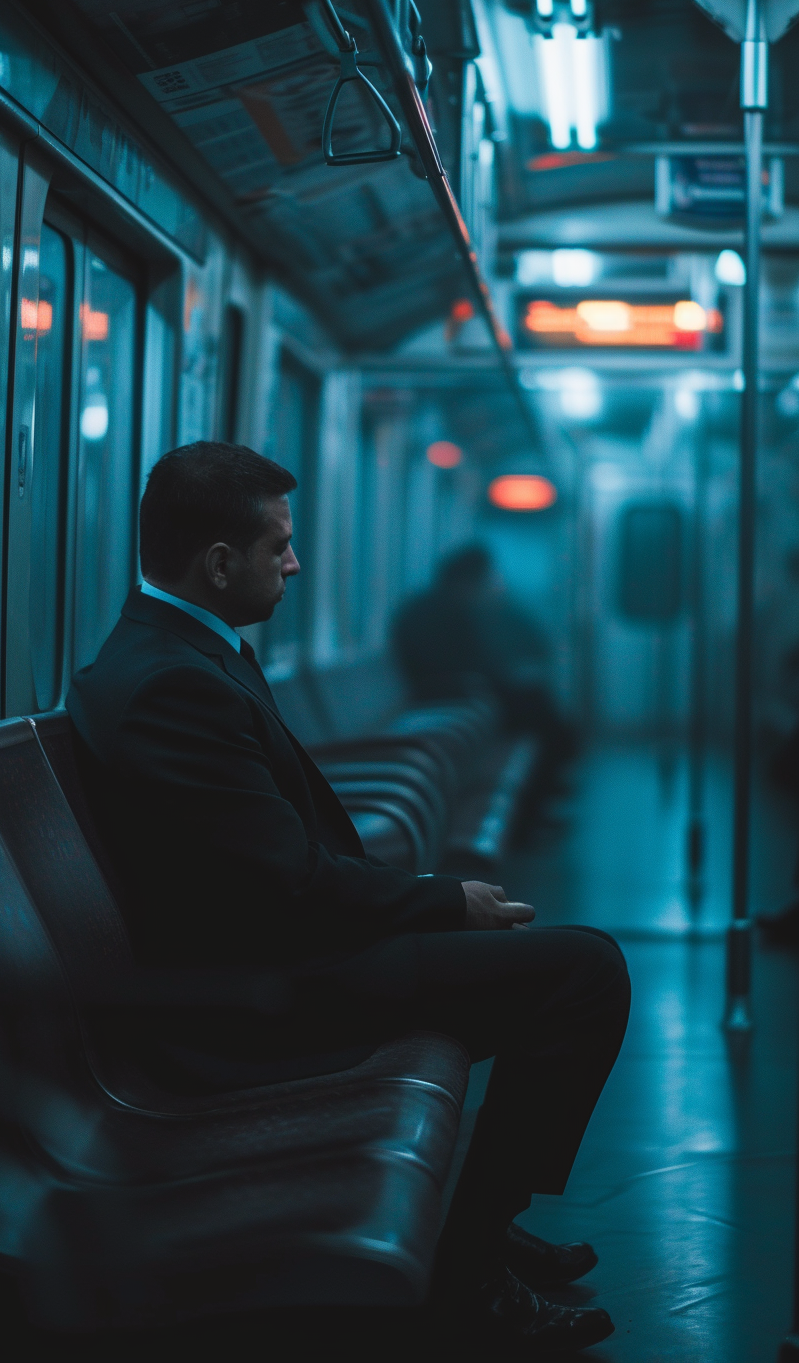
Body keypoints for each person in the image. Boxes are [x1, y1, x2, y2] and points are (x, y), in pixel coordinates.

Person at [67, 442, 630, 1355]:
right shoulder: (178, 683)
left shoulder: (180, 652)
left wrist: (420, 897)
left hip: (266, 950)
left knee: (557, 967)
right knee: (584, 972)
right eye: (278, 546)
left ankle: (476, 1221)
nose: (293, 563)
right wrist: (446, 901)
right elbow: (286, 883)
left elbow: (266, 864)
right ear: (218, 564)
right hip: (249, 992)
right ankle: (469, 1263)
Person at [392, 544, 577, 766]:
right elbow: (450, 663)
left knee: (531, 697)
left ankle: (548, 769)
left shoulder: (438, 606)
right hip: (443, 693)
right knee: (532, 703)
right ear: (468, 579)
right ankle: (549, 771)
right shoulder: (438, 613)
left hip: (455, 687)